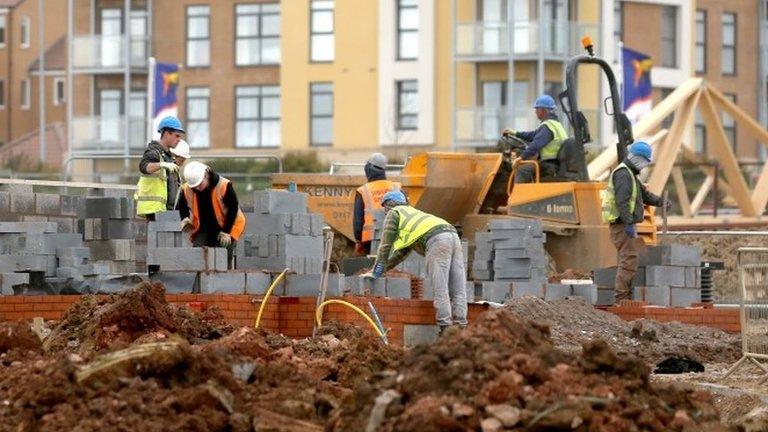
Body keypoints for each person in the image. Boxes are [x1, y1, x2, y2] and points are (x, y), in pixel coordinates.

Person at [364, 190, 467, 333]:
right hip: (453, 235)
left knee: (440, 287)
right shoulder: (413, 215)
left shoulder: (394, 213)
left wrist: (376, 271)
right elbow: (401, 254)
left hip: (436, 240)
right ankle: (461, 329)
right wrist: (383, 269)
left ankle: (446, 331)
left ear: (388, 205)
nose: (385, 211)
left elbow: (385, 246)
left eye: (385, 208)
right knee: (458, 289)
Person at [602, 141, 669, 302]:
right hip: (621, 225)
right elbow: (622, 202)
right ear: (638, 159)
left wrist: (661, 201)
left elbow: (644, 196)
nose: (644, 167)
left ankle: (625, 298)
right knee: (628, 259)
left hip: (625, 224)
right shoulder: (624, 174)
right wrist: (628, 223)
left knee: (630, 259)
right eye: (644, 163)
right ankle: (622, 300)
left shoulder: (630, 174)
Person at [176, 161, 246, 269]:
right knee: (198, 254)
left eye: (200, 184)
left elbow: (233, 209)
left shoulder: (224, 185)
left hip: (227, 225)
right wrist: (184, 218)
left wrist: (226, 232)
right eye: (195, 187)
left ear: (206, 175)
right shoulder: (188, 188)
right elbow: (182, 205)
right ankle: (201, 281)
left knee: (222, 257)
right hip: (203, 227)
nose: (197, 188)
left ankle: (224, 280)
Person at [502, 94, 568, 183]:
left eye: (537, 109)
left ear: (543, 110)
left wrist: (520, 158)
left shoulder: (547, 126)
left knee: (522, 169)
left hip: (550, 165)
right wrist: (515, 133)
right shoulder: (555, 124)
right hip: (555, 164)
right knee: (528, 166)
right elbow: (533, 135)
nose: (535, 112)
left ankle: (520, 196)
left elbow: (535, 145)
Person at [135, 116, 185, 221]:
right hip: (155, 211)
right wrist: (161, 165)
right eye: (177, 136)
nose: (179, 140)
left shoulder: (168, 156)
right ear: (166, 134)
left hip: (165, 210)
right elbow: (144, 167)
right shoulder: (154, 152)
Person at [353, 153, 401, 255]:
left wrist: (358, 241)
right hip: (395, 237)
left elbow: (358, 221)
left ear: (369, 169)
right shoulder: (396, 188)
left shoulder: (363, 190)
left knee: (373, 267)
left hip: (369, 240)